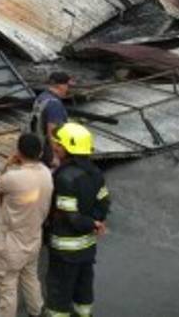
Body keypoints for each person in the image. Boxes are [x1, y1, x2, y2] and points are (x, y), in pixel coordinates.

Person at [44, 122, 110, 317]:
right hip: (87, 247)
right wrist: (96, 222)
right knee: (83, 287)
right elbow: (104, 202)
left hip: (65, 250)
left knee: (59, 291)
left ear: (68, 148)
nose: (55, 147)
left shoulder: (65, 177)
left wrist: (91, 223)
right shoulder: (95, 172)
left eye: (58, 143)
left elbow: (69, 215)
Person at [0, 133, 53, 317]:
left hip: (10, 243)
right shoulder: (47, 173)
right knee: (30, 277)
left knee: (5, 286)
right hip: (33, 237)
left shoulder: (13, 178)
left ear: (19, 152)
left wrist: (5, 164)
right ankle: (37, 311)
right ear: (39, 153)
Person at [28, 72, 72, 168]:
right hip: (47, 149)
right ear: (59, 86)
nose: (68, 89)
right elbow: (52, 132)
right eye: (67, 85)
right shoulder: (54, 104)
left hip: (38, 142)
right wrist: (55, 156)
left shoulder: (42, 97)